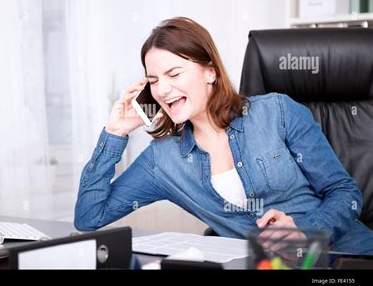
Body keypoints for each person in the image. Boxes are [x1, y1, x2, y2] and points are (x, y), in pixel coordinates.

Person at [74, 17, 373, 254]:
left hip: (345, 259)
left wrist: (303, 230)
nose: (162, 90)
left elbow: (345, 193)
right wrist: (115, 133)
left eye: (174, 74)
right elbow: (89, 217)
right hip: (271, 269)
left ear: (210, 72)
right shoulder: (163, 159)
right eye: (153, 81)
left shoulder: (278, 113)